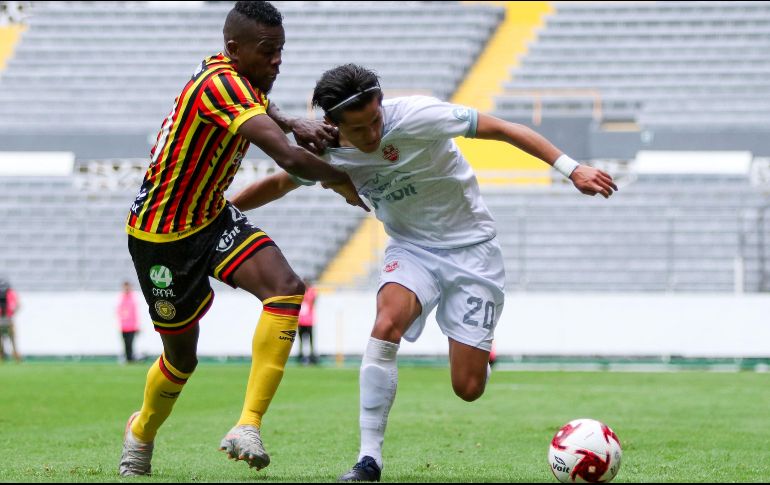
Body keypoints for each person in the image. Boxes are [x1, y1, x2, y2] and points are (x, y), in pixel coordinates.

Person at [230, 63, 618, 482]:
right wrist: (220, 211)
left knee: (468, 388)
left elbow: (504, 128)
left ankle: (475, 347)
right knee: (385, 324)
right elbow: (277, 184)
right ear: (333, 123)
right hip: (411, 249)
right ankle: (368, 460)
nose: (372, 135)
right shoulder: (323, 150)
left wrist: (571, 168)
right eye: (358, 130)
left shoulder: (418, 115)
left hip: (474, 251)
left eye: (375, 120)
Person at [118, 2, 368, 477]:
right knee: (181, 359)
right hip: (161, 237)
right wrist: (346, 183)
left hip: (211, 216)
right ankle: (142, 430)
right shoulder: (218, 84)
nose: (278, 61)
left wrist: (293, 121)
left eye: (281, 51)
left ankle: (247, 425)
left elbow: (261, 104)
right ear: (234, 49)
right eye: (268, 51)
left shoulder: (234, 73)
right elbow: (289, 161)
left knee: (287, 287)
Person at [117, 281, 141, 363]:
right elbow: (119, 312)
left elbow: (135, 313)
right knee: (125, 343)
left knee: (130, 343)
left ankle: (130, 358)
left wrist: (137, 325)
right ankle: (128, 358)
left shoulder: (133, 298)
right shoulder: (121, 297)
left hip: (131, 326)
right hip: (123, 326)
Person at [296, 279, 318, 365]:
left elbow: (313, 300)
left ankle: (312, 356)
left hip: (309, 321)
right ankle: (301, 356)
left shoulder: (311, 292)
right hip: (301, 321)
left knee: (310, 340)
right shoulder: (300, 293)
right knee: (301, 340)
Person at [0, 278, 21, 363]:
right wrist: (12, 313)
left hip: (3, 319)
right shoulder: (11, 293)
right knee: (12, 339)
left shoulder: (10, 293)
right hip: (8, 319)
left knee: (3, 339)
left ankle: (2, 355)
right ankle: (15, 356)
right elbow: (17, 305)